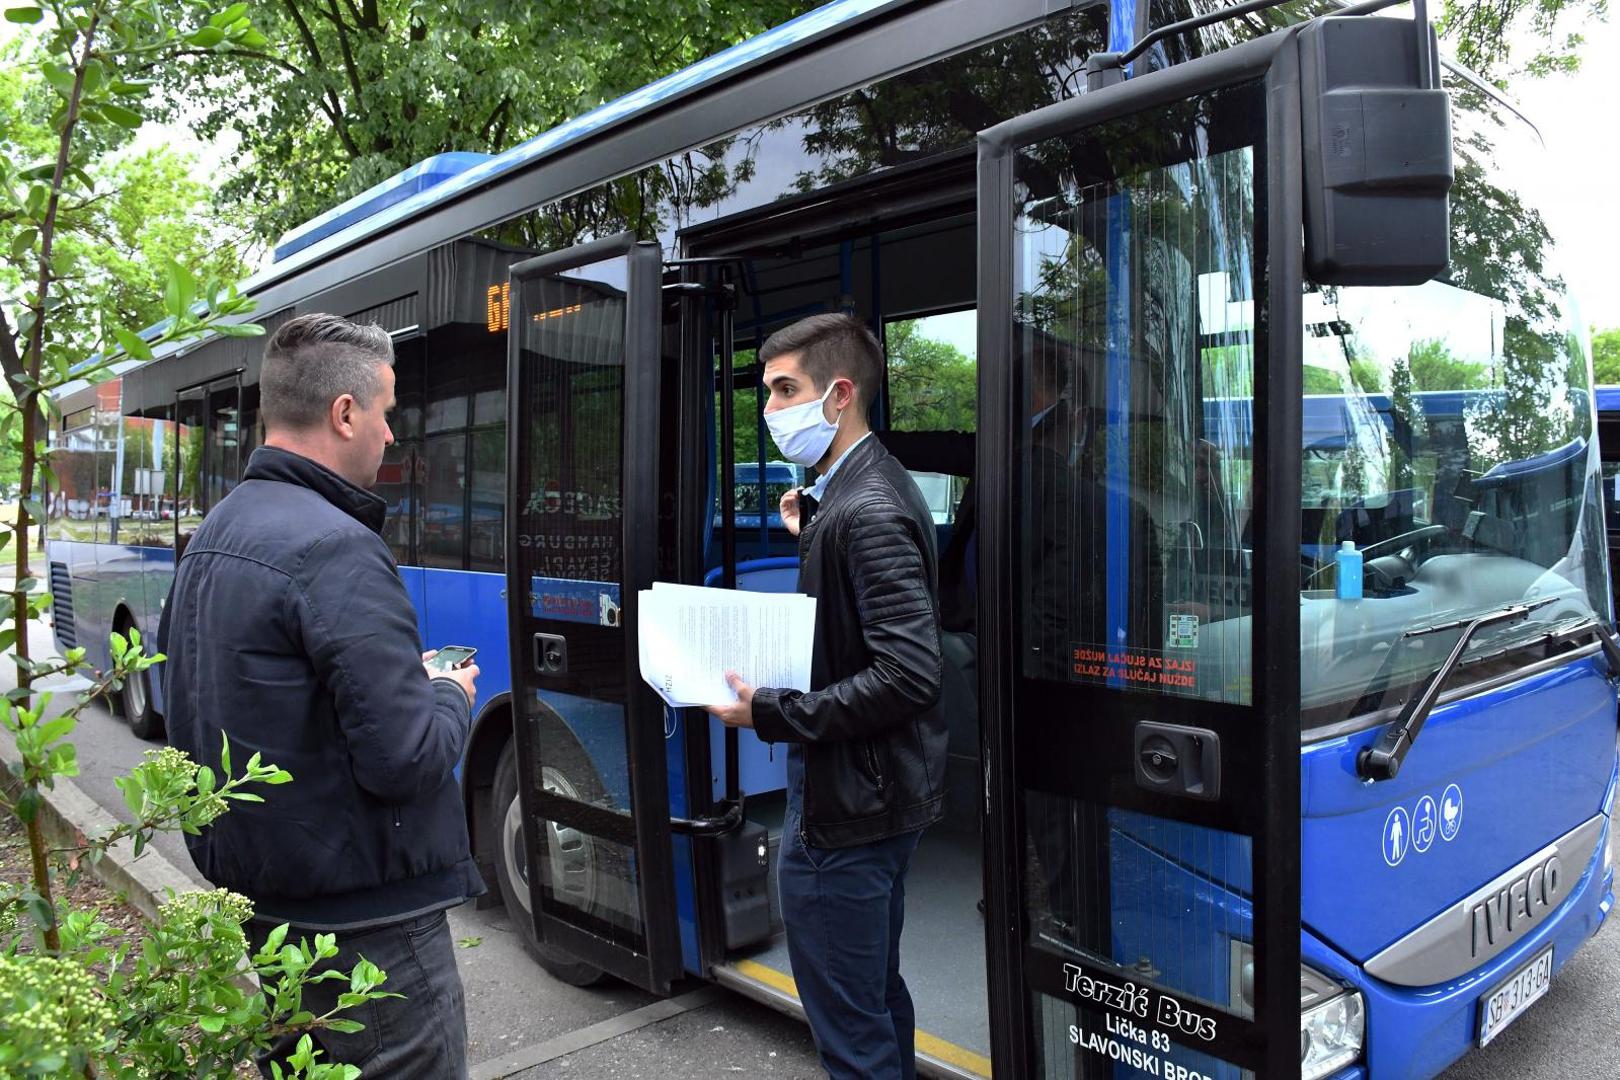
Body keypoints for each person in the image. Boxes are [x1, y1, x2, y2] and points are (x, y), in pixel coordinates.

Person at [159, 313, 483, 1079]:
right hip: (371, 938)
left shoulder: (216, 532)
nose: (392, 437)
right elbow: (405, 760)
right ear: (345, 413)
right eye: (388, 413)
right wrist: (447, 693)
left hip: (273, 920)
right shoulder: (335, 546)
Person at [706, 313, 947, 1080]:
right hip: (878, 795)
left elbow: (909, 673)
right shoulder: (859, 491)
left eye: (786, 390)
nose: (772, 410)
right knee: (873, 994)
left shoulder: (866, 510)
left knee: (851, 1029)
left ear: (839, 395)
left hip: (847, 814)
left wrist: (769, 712)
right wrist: (812, 527)